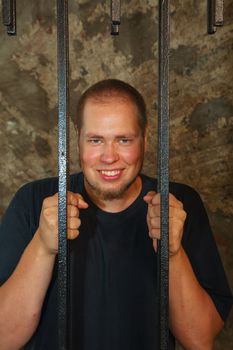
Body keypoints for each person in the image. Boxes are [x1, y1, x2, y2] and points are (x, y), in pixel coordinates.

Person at [0, 79, 232, 350]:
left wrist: (173, 254)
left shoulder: (178, 204)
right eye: (96, 140)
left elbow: (200, 339)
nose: (109, 157)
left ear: (145, 139)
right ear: (78, 140)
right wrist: (42, 246)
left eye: (123, 139)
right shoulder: (34, 200)